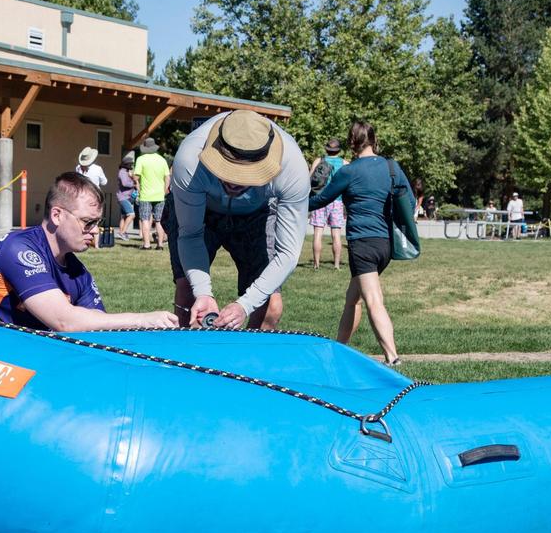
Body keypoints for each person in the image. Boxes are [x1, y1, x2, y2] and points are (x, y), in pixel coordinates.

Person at [0, 172, 178, 331]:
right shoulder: (17, 249)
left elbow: (97, 325)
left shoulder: (79, 272)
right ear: (57, 215)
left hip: (25, 357)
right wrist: (142, 320)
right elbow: (64, 321)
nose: (95, 231)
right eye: (88, 222)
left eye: (97, 222)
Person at [165, 110, 308, 330]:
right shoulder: (189, 160)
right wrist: (203, 292)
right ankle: (183, 361)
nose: (233, 182)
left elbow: (288, 254)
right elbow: (190, 234)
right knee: (187, 294)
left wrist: (245, 305)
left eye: (246, 176)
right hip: (202, 209)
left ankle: (250, 362)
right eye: (227, 171)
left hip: (257, 213)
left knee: (271, 306)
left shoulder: (292, 167)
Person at [309, 120, 413, 367]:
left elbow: (322, 199)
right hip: (386, 244)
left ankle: (393, 357)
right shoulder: (392, 167)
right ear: (374, 140)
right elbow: (409, 202)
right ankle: (339, 349)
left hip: (362, 243)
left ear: (352, 143)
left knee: (373, 299)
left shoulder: (349, 171)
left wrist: (291, 203)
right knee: (352, 298)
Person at [307, 138, 347, 270]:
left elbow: (309, 180)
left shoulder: (319, 161)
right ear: (339, 150)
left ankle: (316, 264)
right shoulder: (345, 163)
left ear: (326, 149)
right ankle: (336, 265)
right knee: (336, 234)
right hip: (337, 201)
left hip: (320, 200)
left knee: (318, 232)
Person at [133, 137, 170, 250]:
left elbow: (136, 177)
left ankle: (147, 244)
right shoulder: (162, 160)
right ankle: (160, 244)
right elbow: (167, 177)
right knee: (159, 220)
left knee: (145, 219)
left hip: (145, 195)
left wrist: (137, 184)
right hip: (160, 195)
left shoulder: (141, 159)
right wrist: (164, 191)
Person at [115, 151, 136, 241]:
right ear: (126, 165)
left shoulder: (125, 172)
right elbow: (125, 183)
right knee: (131, 215)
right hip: (123, 197)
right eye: (130, 164)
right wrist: (133, 183)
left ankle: (121, 232)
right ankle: (122, 232)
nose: (131, 166)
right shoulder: (122, 172)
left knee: (124, 216)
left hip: (125, 197)